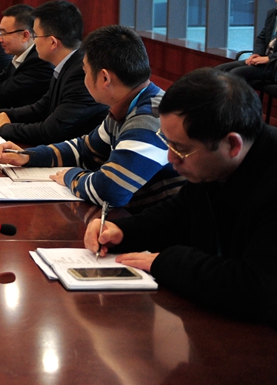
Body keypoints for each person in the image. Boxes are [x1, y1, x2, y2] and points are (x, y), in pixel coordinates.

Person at [85, 68, 277, 325]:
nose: (171, 158)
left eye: (181, 149)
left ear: (232, 145)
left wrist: (167, 262)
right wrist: (122, 231)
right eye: (168, 143)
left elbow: (256, 288)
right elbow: (179, 213)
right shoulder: (214, 165)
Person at [0, 26, 183, 211]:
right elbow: (85, 149)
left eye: (85, 72)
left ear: (105, 78)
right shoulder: (128, 104)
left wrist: (71, 176)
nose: (83, 79)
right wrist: (30, 156)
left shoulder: (150, 118)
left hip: (159, 226)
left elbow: (109, 191)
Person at [0, 0, 107, 145]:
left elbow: (50, 132)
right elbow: (41, 107)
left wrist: (4, 127)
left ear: (53, 42)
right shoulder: (67, 64)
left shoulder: (81, 73)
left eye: (36, 36)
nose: (34, 42)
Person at [0, 4, 53, 109]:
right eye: (0, 32)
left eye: (4, 33)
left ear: (25, 36)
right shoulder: (19, 56)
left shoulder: (40, 62)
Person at [214, 0, 277, 86]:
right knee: (218, 70)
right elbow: (261, 38)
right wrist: (256, 54)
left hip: (274, 65)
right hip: (263, 61)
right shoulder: (272, 13)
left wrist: (268, 58)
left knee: (235, 74)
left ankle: (240, 98)